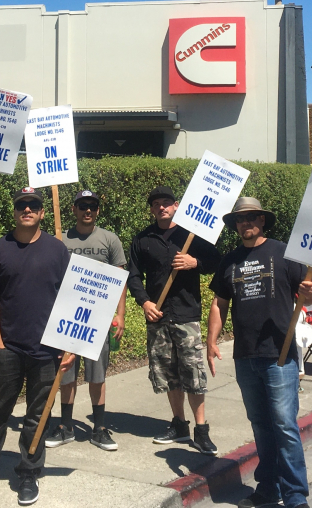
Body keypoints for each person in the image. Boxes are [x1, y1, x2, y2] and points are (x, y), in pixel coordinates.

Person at [0, 187, 74, 506]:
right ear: (15, 211)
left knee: (37, 415)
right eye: (22, 206)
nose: (28, 210)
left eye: (34, 205)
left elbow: (71, 298)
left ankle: (29, 473)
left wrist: (69, 345)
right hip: (10, 348)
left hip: (47, 350)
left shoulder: (58, 250)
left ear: (43, 212)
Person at [207, 197, 312, 508]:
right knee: (260, 424)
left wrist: (311, 294)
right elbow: (220, 303)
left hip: (279, 357)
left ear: (263, 221)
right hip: (245, 356)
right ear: (236, 225)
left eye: (252, 217)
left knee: (284, 425)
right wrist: (211, 340)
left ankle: (296, 498)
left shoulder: (284, 253)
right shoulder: (229, 261)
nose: (247, 223)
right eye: (241, 219)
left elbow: (310, 292)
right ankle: (268, 488)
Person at [126, 185, 221, 455]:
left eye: (166, 202)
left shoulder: (192, 235)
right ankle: (179, 424)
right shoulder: (143, 239)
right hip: (157, 315)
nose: (161, 207)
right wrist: (144, 302)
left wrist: (194, 262)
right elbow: (133, 276)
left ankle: (201, 431)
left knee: (193, 372)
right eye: (156, 204)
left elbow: (216, 261)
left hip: (186, 314)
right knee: (168, 374)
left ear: (176, 205)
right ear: (152, 209)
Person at [45, 190, 127, 451]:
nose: (88, 210)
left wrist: (120, 314)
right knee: (65, 372)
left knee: (97, 375)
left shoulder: (109, 240)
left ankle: (99, 429)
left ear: (98, 211)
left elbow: (119, 280)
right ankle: (66, 427)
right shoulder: (60, 240)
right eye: (83, 206)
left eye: (92, 206)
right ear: (74, 209)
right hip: (67, 318)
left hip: (98, 320)